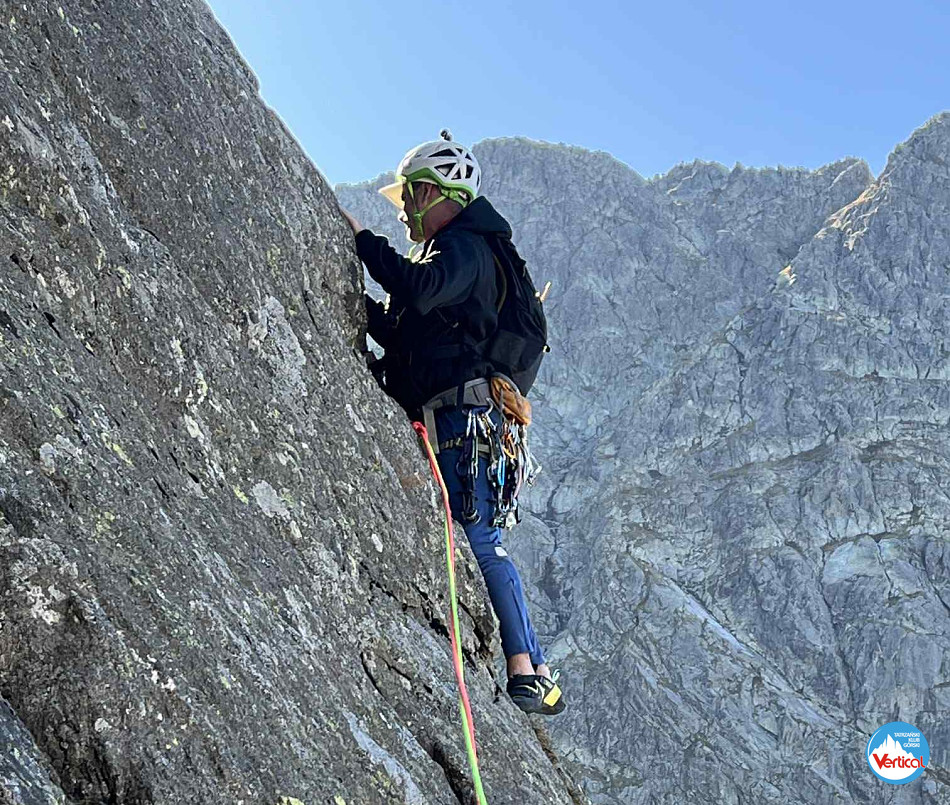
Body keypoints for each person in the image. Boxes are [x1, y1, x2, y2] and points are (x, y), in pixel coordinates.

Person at [340, 131, 564, 716]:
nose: (408, 207)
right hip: (461, 415)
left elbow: (418, 289)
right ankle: (536, 666)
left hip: (460, 418)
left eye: (413, 193)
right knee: (481, 535)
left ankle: (524, 669)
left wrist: (364, 242)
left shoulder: (464, 247)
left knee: (480, 539)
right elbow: (406, 327)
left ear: (443, 194)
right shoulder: (461, 254)